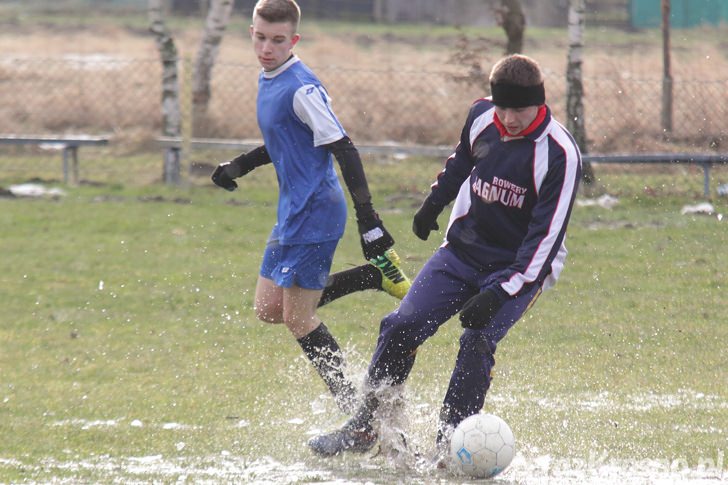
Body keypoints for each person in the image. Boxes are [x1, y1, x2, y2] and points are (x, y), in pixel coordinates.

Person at [308, 53, 582, 457]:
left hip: (519, 268)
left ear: (540, 102)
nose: (509, 118)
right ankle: (367, 427)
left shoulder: (559, 154)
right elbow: (462, 161)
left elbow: (544, 244)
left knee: (477, 339)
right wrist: (434, 203)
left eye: (519, 109)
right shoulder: (481, 117)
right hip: (462, 252)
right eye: (502, 107)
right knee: (402, 324)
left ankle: (451, 447)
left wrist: (499, 292)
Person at [211, 0, 411, 414]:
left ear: (294, 40)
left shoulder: (302, 87)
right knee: (269, 309)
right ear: (251, 32)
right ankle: (372, 276)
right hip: (291, 211)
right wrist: (240, 166)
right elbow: (285, 139)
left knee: (298, 318)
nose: (267, 48)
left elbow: (344, 147)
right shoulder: (269, 78)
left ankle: (354, 412)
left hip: (317, 212)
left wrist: (367, 218)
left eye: (278, 40)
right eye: (261, 37)